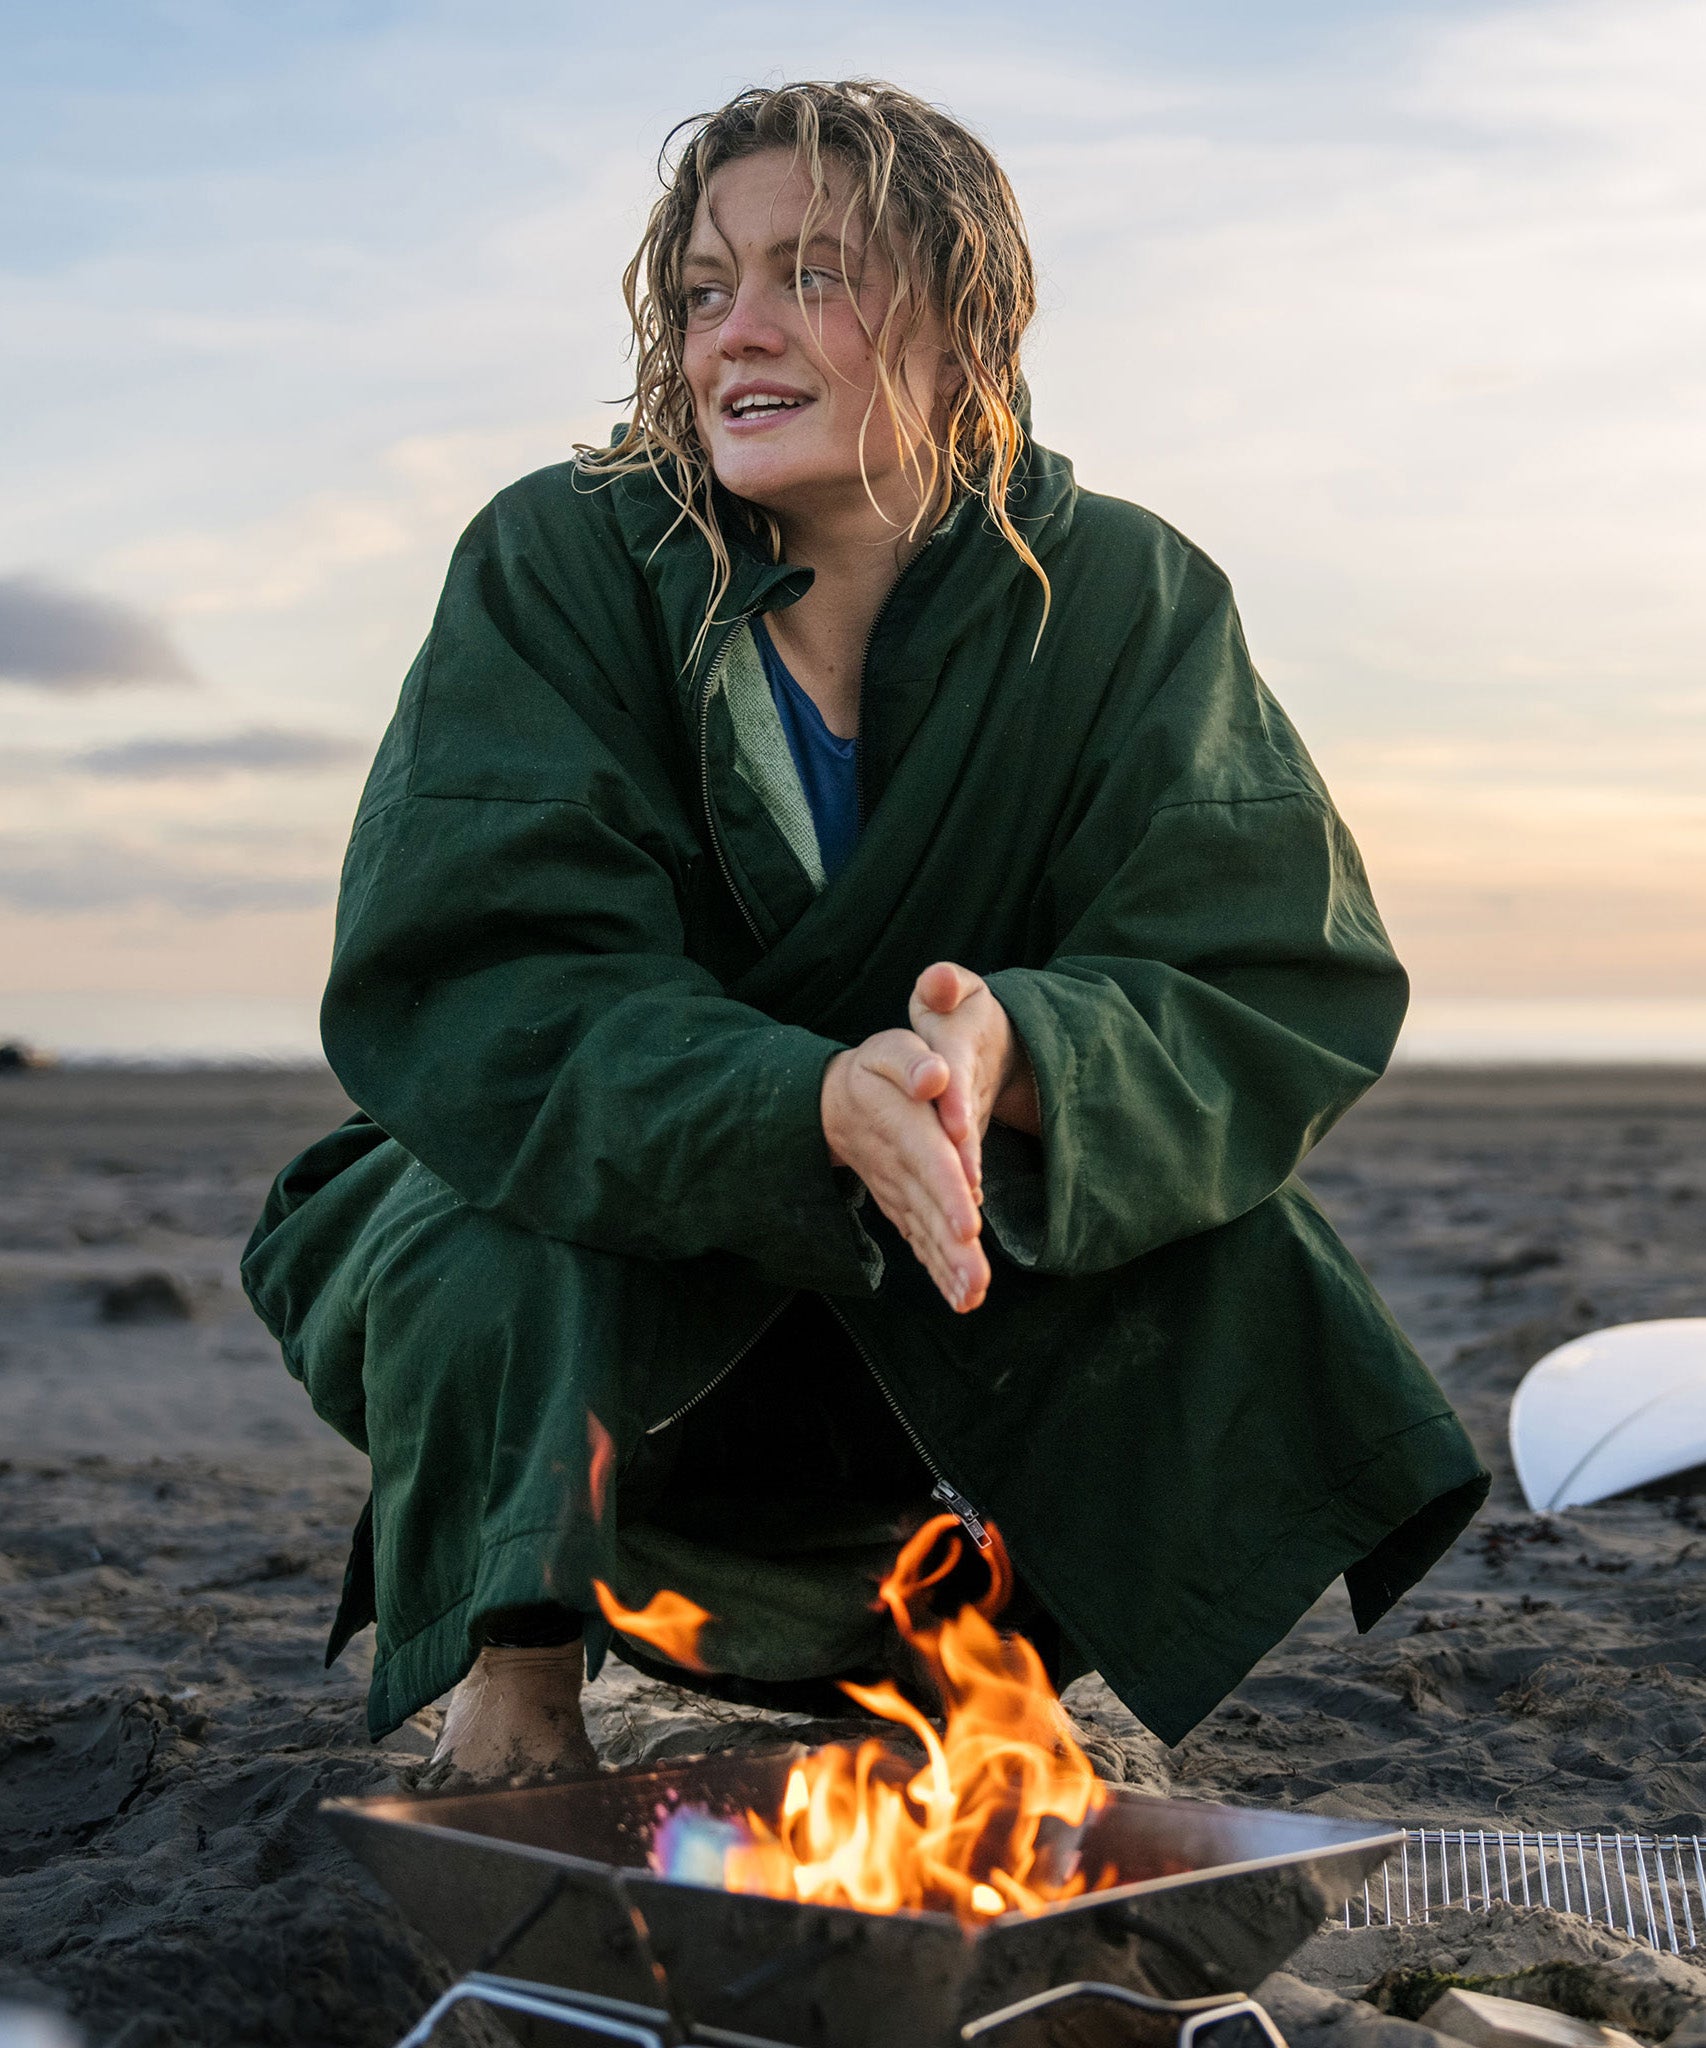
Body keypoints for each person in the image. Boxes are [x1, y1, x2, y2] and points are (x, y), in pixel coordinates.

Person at [243, 79, 1488, 1783]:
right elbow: (488, 970)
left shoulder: (1125, 594)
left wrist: (1012, 1054)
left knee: (1232, 1240)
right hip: (627, 1246)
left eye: (809, 275)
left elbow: (1258, 967)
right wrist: (796, 1101)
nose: (732, 334)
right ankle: (516, 1667)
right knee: (495, 1236)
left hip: (940, 1244)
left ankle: (995, 1672)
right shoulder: (561, 559)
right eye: (700, 290)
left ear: (965, 321)